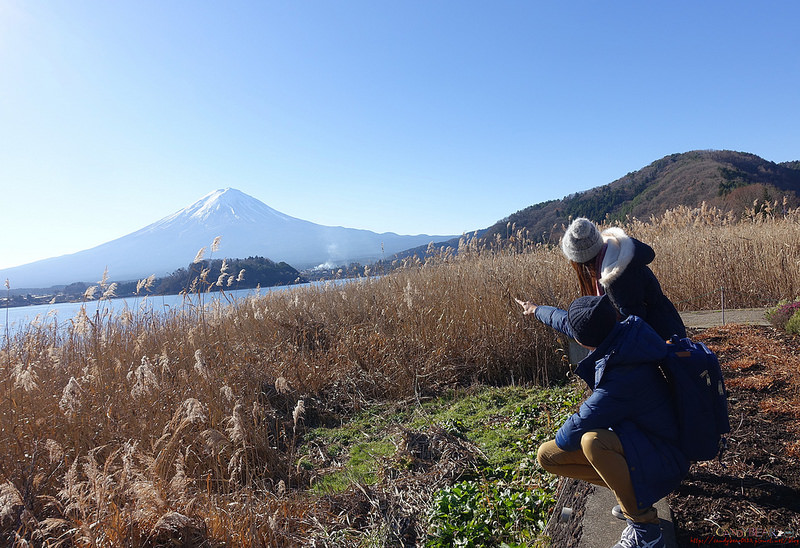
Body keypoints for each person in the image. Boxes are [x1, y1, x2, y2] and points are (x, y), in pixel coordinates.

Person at [519, 295, 688, 548]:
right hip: (645, 439)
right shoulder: (619, 332)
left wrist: (569, 423)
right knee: (547, 455)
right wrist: (535, 310)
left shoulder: (622, 376)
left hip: (664, 456)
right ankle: (631, 497)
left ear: (583, 342)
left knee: (592, 442)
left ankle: (647, 532)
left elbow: (571, 433)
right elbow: (564, 320)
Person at [558, 217, 686, 341]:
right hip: (666, 324)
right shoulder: (618, 251)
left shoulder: (616, 278)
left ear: (582, 261)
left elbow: (634, 324)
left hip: (659, 340)